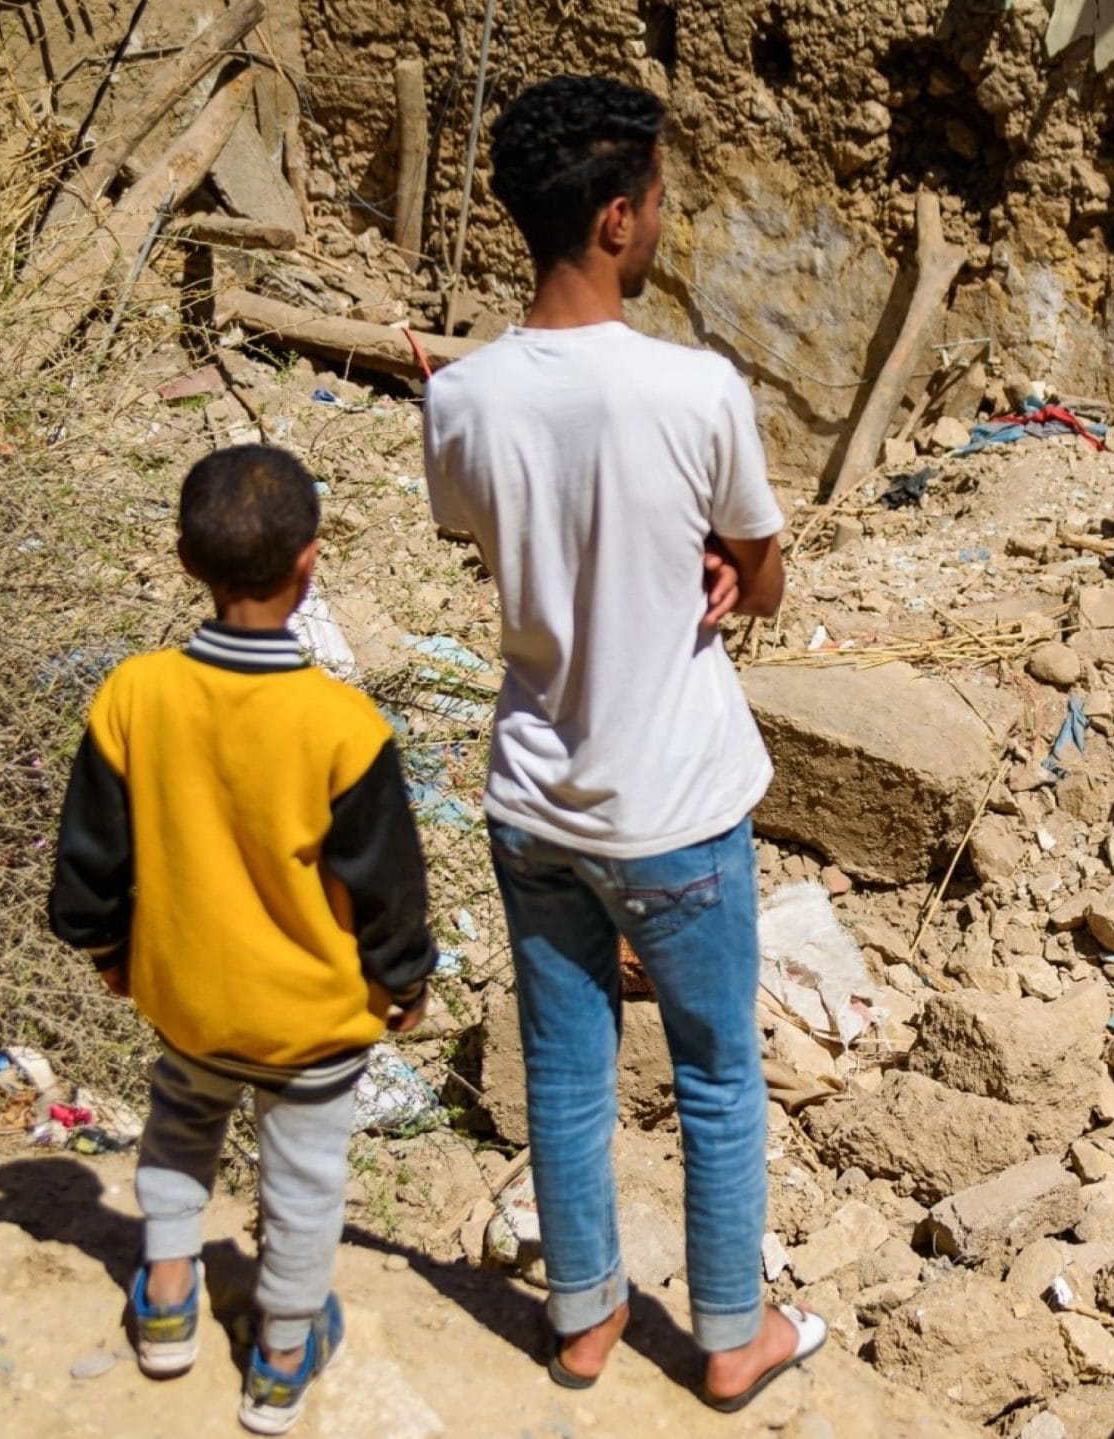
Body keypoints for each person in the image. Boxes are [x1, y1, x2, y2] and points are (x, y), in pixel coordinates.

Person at [420, 75, 818, 1411]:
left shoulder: (463, 394)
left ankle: (583, 1321)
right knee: (715, 1073)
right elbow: (761, 583)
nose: (663, 218)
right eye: (655, 199)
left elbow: (480, 535)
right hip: (678, 805)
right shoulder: (695, 388)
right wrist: (716, 562)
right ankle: (726, 1335)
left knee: (568, 1067)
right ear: (612, 217)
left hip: (533, 798)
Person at [49, 444, 436, 1436]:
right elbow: (386, 883)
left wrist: (105, 948)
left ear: (188, 564)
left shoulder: (133, 695)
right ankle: (276, 1361)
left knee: (181, 1130)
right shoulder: (343, 726)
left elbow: (91, 854)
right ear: (311, 564)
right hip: (311, 1020)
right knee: (303, 1181)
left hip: (184, 996)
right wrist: (405, 979)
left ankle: (169, 1301)